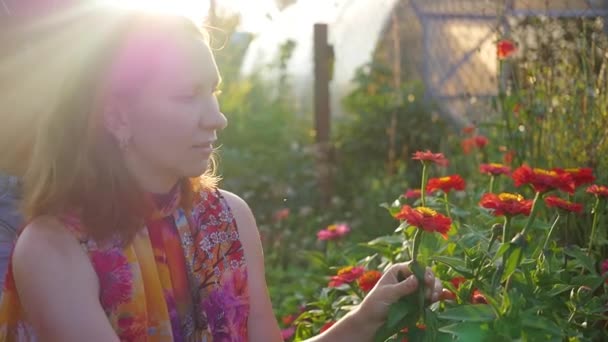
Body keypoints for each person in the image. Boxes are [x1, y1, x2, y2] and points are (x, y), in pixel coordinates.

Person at [0, 6, 442, 341]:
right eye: (187, 96)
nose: (217, 118)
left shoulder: (226, 219)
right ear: (117, 117)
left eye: (212, 92)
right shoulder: (53, 251)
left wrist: (367, 316)